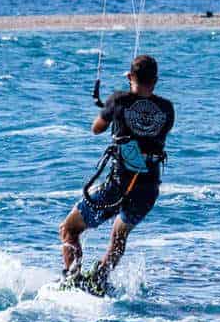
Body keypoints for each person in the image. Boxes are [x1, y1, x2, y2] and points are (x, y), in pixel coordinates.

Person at [59, 55, 175, 295]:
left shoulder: (118, 100)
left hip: (119, 186)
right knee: (119, 235)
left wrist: (111, 108)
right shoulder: (167, 109)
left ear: (130, 76)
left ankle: (73, 281)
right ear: (155, 81)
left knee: (69, 229)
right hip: (148, 189)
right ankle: (99, 280)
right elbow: (150, 134)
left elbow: (96, 129)